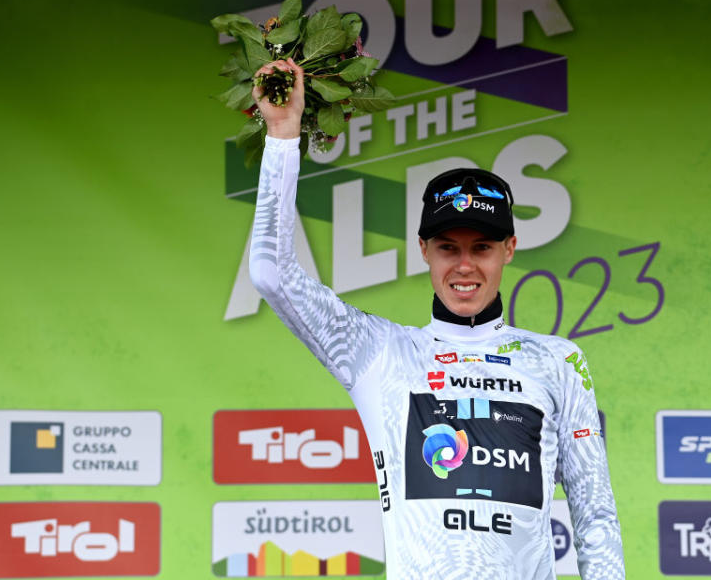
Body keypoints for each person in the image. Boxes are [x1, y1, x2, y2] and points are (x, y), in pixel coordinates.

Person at [249, 58, 625, 580]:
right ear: (423, 248)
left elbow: (595, 517)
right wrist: (283, 134)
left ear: (510, 249)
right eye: (448, 247)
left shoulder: (558, 360)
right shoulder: (377, 351)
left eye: (483, 247)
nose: (465, 266)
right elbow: (270, 273)